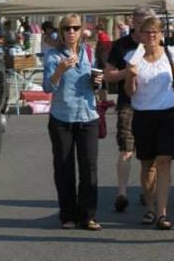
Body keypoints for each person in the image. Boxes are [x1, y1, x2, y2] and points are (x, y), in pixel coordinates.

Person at [42, 14, 104, 230]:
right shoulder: (52, 56)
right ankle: (67, 215)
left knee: (89, 167)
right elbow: (48, 88)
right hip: (62, 117)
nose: (71, 32)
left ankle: (88, 216)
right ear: (61, 32)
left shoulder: (89, 52)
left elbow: (95, 84)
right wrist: (60, 71)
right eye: (67, 28)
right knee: (64, 167)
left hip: (88, 115)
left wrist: (97, 82)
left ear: (81, 31)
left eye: (75, 28)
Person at [124, 16, 174, 229]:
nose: (152, 36)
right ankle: (149, 207)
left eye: (156, 32)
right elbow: (130, 92)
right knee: (147, 164)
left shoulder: (171, 53)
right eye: (147, 32)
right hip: (143, 114)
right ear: (140, 35)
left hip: (167, 113)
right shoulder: (133, 56)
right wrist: (130, 75)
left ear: (161, 34)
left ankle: (162, 213)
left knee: (164, 161)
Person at [104, 7, 156, 213]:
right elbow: (108, 75)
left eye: (149, 23)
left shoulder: (158, 43)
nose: (146, 27)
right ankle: (122, 192)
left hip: (154, 104)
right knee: (126, 148)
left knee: (151, 152)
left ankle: (149, 191)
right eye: (141, 22)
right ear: (133, 22)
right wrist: (128, 71)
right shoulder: (121, 45)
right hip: (129, 102)